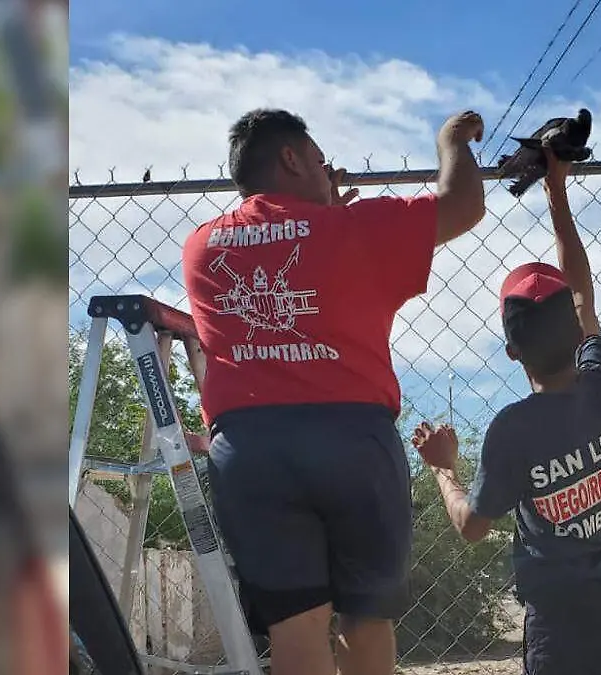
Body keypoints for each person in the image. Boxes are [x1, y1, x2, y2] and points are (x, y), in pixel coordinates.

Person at [181, 107, 486, 675]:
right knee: (366, 620)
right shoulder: (355, 229)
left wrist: (318, 216)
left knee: (294, 627)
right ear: (291, 158)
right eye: (321, 162)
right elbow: (464, 204)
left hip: (251, 449)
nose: (329, 174)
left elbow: (288, 252)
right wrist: (451, 143)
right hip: (350, 441)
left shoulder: (201, 246)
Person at [411, 147, 601, 675]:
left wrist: (444, 469)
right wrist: (556, 193)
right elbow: (583, 295)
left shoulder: (514, 430)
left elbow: (472, 526)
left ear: (512, 352)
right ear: (577, 332)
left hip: (556, 623)